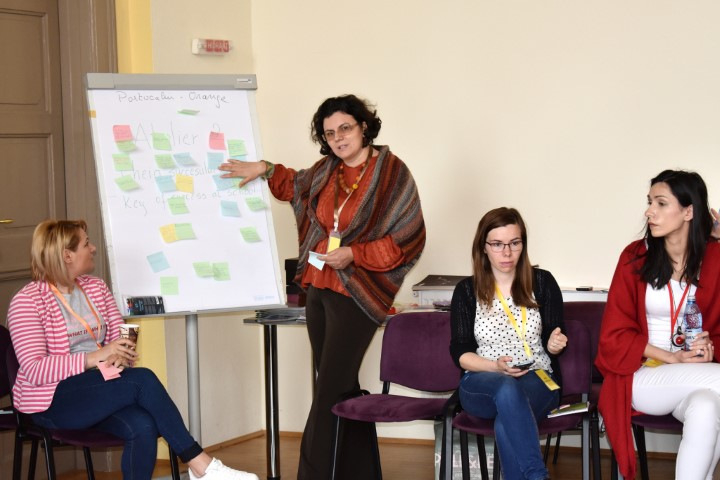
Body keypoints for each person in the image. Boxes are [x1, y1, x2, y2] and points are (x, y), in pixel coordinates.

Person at [218, 94, 425, 479]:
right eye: (329, 133)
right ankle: (361, 474)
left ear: (364, 127)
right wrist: (264, 168)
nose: (338, 138)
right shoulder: (326, 171)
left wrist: (354, 254)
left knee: (329, 390)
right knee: (339, 386)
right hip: (319, 287)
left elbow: (408, 237)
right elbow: (294, 185)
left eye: (345, 128)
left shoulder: (392, 173)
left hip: (358, 295)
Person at [7, 220, 258, 480]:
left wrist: (122, 351)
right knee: (142, 380)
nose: (93, 248)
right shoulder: (27, 302)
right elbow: (35, 370)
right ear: (67, 255)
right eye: (86, 244)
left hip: (100, 386)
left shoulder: (95, 287)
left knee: (143, 425)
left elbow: (121, 334)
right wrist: (96, 357)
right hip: (52, 401)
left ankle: (200, 468)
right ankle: (201, 465)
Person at [596, 170, 720, 480]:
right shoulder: (635, 257)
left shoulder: (714, 257)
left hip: (697, 376)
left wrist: (709, 349)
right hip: (643, 375)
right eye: (650, 202)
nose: (649, 211)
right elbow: (614, 335)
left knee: (707, 408)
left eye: (661, 203)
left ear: (689, 211)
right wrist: (672, 358)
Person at [449, 207, 567, 480]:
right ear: (483, 247)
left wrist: (555, 343)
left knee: (507, 421)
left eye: (514, 243)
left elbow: (555, 338)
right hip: (481, 381)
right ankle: (537, 475)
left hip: (538, 377)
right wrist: (495, 367)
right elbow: (460, 352)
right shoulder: (466, 291)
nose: (507, 253)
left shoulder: (542, 282)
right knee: (506, 386)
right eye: (497, 244)